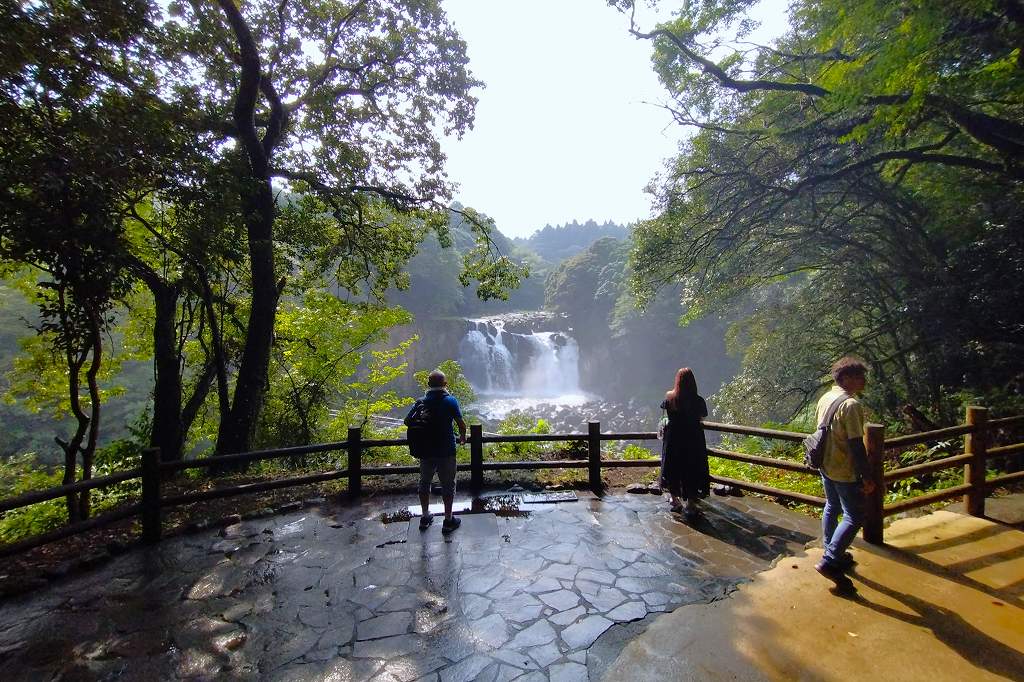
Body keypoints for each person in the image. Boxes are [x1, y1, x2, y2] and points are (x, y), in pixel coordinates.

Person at [814, 356, 874, 590]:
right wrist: (867, 476)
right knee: (854, 516)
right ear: (847, 378)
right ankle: (830, 560)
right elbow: (857, 445)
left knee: (832, 506)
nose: (863, 381)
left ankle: (833, 549)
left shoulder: (826, 397)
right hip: (843, 468)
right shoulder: (850, 405)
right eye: (860, 377)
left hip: (825, 464)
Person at [407, 370, 467, 534]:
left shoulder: (421, 402)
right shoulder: (450, 401)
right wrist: (462, 437)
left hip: (425, 449)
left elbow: (407, 421)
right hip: (446, 449)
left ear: (428, 385)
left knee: (424, 482)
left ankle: (425, 516)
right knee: (448, 484)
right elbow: (461, 425)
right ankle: (448, 520)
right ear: (445, 384)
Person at [660, 367, 710, 517]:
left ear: (677, 381)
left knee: (672, 467)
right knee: (693, 468)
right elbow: (702, 418)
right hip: (693, 439)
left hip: (674, 438)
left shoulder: (670, 398)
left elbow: (665, 415)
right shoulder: (698, 400)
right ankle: (691, 503)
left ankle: (675, 501)